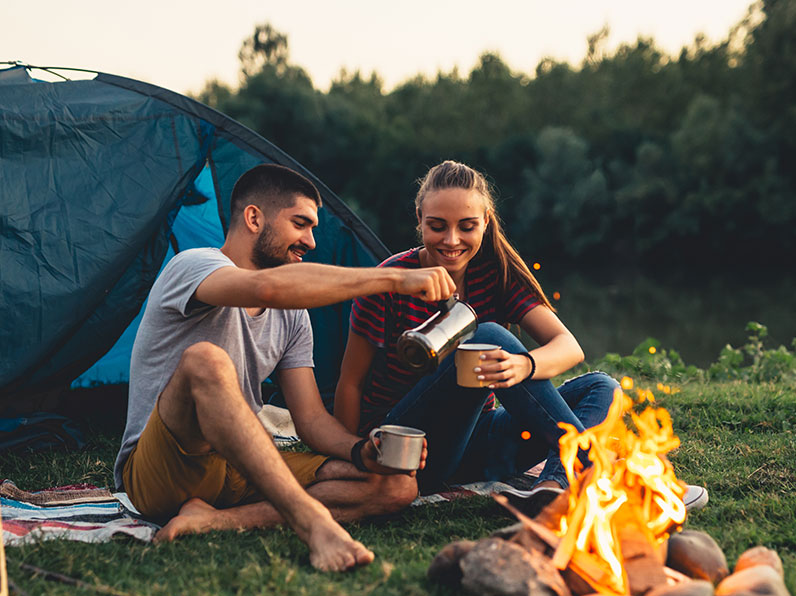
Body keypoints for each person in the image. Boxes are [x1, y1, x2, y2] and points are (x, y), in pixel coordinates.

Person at [113, 164, 457, 572]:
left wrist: (360, 450)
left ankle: (216, 520)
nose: (311, 240)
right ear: (254, 218)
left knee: (396, 486)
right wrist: (394, 279)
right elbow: (265, 289)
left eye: (313, 228)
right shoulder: (192, 265)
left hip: (236, 467)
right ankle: (312, 524)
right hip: (164, 469)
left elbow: (310, 418)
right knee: (205, 360)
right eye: (300, 224)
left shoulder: (293, 318)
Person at [335, 160, 622, 502]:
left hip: (480, 441)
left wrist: (523, 366)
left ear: (486, 221)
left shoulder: (494, 272)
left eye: (467, 226)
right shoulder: (391, 280)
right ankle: (594, 467)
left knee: (602, 387)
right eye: (437, 226)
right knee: (487, 336)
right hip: (410, 449)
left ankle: (552, 488)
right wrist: (353, 457)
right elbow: (350, 383)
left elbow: (568, 346)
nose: (451, 240)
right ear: (419, 219)